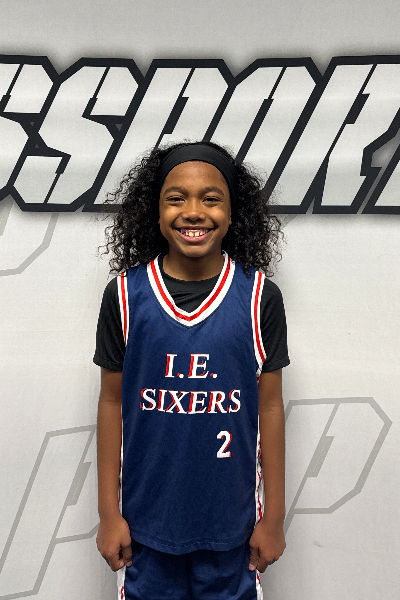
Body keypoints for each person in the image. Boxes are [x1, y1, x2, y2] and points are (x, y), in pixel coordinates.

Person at [94, 141, 290, 600]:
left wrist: (275, 517)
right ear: (156, 210)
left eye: (211, 198)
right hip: (145, 527)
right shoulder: (124, 295)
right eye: (176, 198)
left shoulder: (259, 296)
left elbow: (270, 407)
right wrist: (107, 513)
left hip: (233, 529)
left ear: (232, 212)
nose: (194, 211)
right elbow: (110, 402)